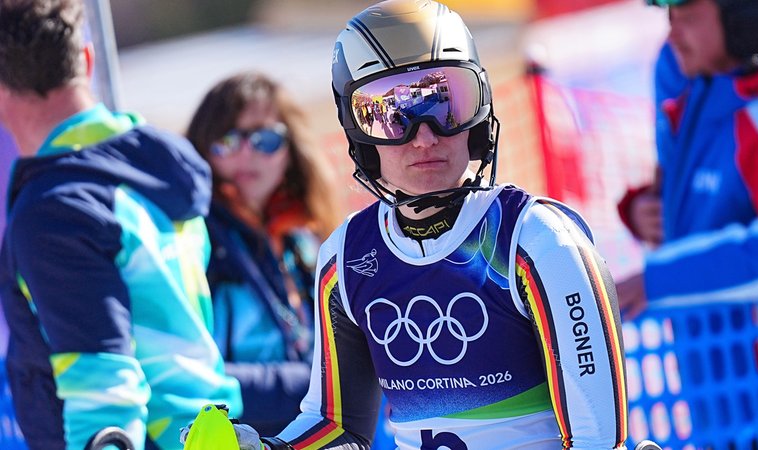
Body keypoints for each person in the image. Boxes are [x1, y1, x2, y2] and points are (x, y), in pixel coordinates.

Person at [183, 1, 629, 449]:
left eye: (448, 104)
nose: (425, 137)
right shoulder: (346, 258)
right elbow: (338, 424)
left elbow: (598, 439)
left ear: (479, 114)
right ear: (360, 135)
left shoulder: (538, 241)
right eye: (390, 115)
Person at [0, 0, 242, 449]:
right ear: (87, 60)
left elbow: (105, 399)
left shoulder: (57, 209)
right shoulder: (159, 167)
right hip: (214, 432)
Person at [616, 0, 758, 319]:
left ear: (742, 18)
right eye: (669, 16)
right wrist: (648, 210)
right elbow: (686, 172)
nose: (672, 34)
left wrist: (659, 281)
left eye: (686, 17)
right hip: (703, 337)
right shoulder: (682, 69)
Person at [185, 72, 341, 436]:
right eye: (226, 140)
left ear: (292, 148)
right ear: (201, 149)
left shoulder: (306, 235)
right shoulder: (192, 238)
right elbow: (188, 374)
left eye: (265, 139)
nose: (246, 154)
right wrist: (316, 385)